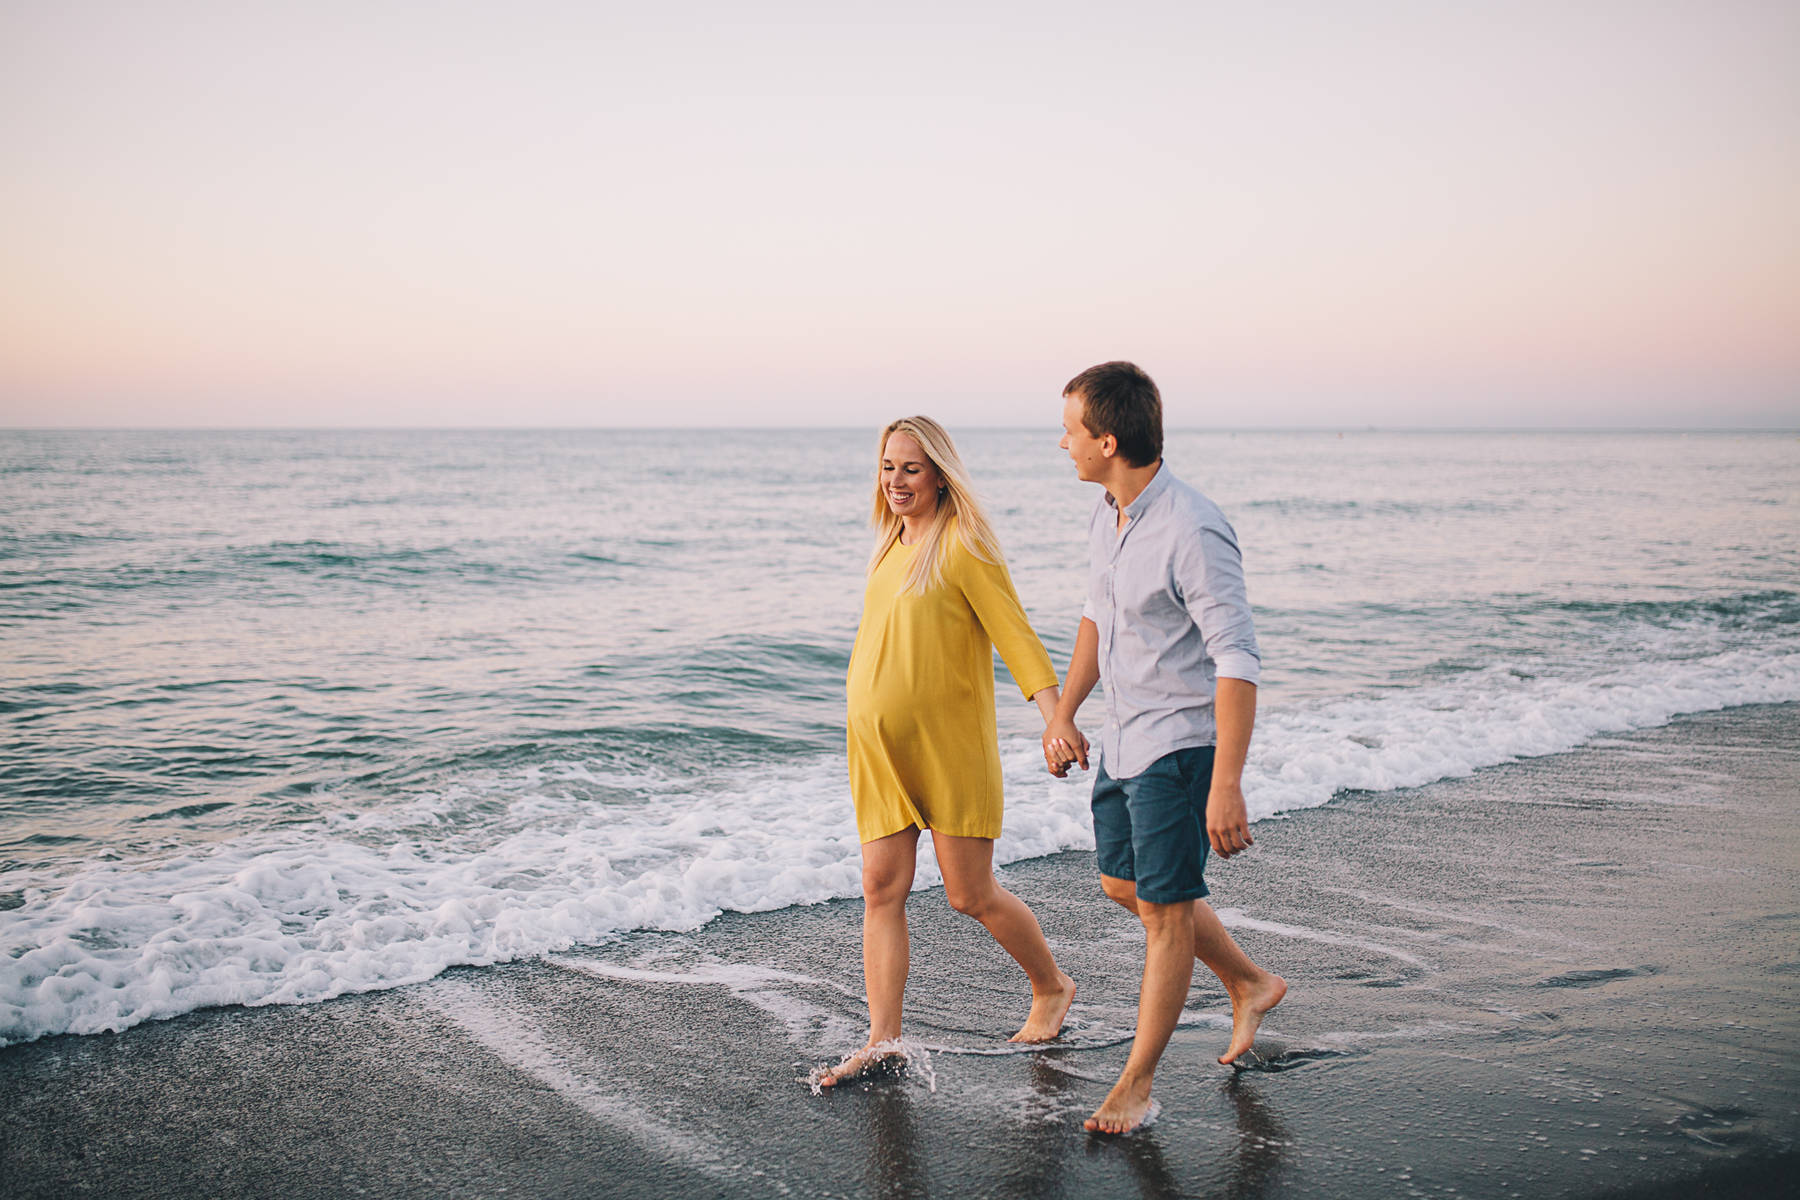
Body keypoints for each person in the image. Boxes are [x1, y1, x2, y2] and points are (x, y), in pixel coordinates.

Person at [1039, 362, 1288, 1134]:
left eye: (1072, 430)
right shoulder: (1108, 514)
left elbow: (1237, 658)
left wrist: (1228, 783)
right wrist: (1065, 711)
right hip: (1125, 741)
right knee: (1124, 885)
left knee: (1168, 912)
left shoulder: (1193, 526)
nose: (1063, 444)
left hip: (1182, 750)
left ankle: (1137, 1085)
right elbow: (1096, 618)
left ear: (1108, 440)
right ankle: (1249, 982)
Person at [819, 416, 1078, 1086]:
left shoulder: (963, 544)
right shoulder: (888, 545)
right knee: (881, 888)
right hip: (878, 750)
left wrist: (1056, 719)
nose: (897, 480)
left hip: (948, 748)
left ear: (938, 473)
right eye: (887, 467)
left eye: (910, 467)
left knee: (970, 894)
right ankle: (883, 1041)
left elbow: (1015, 636)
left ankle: (1051, 986)